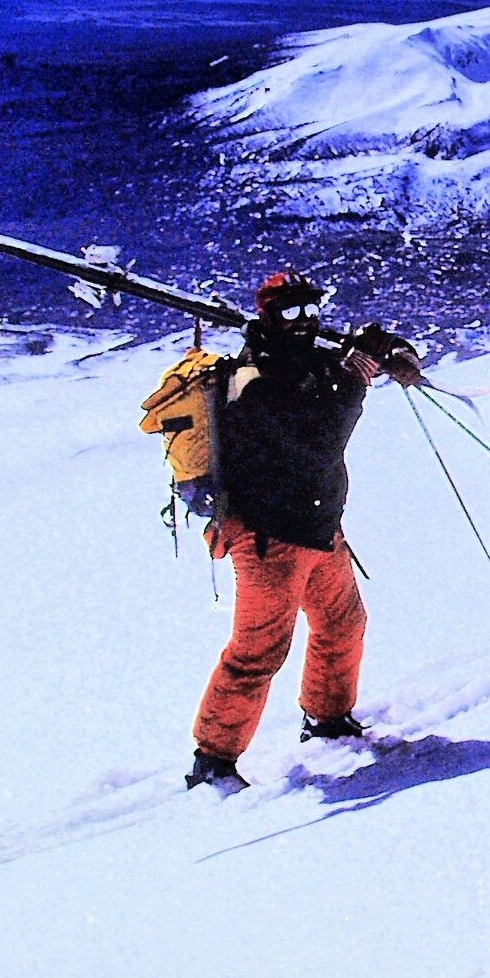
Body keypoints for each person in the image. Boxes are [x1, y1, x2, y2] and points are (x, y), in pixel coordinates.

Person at [184, 270, 421, 792]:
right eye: (290, 312)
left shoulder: (308, 359)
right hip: (269, 537)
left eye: (311, 309)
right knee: (258, 650)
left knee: (343, 624)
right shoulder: (253, 380)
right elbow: (319, 441)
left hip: (317, 527)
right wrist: (358, 371)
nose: (304, 321)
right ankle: (213, 759)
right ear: (267, 317)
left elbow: (358, 367)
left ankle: (328, 718)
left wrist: (391, 352)